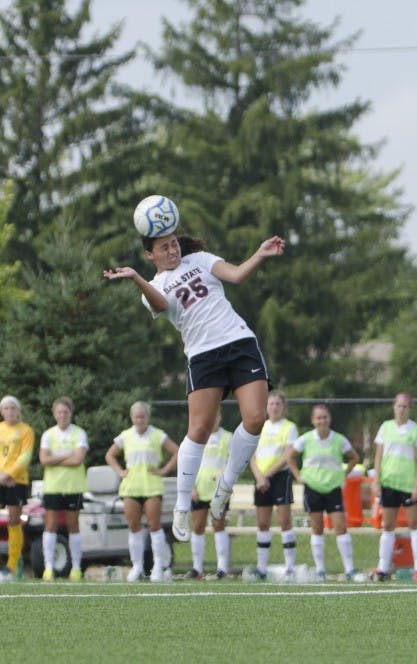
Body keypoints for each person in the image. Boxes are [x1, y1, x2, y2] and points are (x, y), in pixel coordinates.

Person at [103, 226, 285, 550]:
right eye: (163, 248)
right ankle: (183, 506)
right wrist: (135, 277)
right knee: (199, 429)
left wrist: (259, 253)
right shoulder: (154, 286)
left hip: (239, 342)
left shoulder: (199, 259)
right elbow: (160, 305)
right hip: (203, 356)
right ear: (150, 254)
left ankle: (225, 486)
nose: (172, 251)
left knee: (256, 418)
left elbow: (237, 275)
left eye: (173, 244)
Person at [283, 403, 361, 581]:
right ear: (313, 420)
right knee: (317, 528)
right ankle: (320, 570)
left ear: (329, 419)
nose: (322, 421)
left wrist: (343, 474)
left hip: (333, 488)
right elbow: (289, 457)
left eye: (324, 417)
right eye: (318, 418)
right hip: (313, 488)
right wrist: (298, 476)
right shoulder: (306, 439)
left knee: (340, 527)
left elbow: (354, 458)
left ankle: (349, 569)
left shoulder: (339, 439)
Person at [106, 401, 179, 582]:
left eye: (142, 416)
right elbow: (110, 455)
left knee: (154, 526)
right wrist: (121, 472)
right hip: (131, 486)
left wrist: (164, 470)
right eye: (136, 416)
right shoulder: (126, 436)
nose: (140, 420)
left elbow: (177, 451)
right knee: (134, 526)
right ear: (132, 418)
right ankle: (136, 566)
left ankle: (158, 566)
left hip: (152, 485)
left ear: (147, 417)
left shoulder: (157, 435)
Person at [371, 392, 417, 581]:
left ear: (409, 409)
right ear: (394, 407)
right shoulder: (385, 427)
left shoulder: (416, 431)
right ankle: (383, 567)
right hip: (389, 483)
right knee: (387, 525)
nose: (401, 410)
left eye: (405, 406)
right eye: (398, 406)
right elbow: (378, 455)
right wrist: (376, 480)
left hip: (408, 484)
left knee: (413, 523)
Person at [250, 391, 299, 581]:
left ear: (283, 407)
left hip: (279, 478)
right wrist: (259, 477)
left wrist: (267, 476)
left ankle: (290, 568)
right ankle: (261, 569)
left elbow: (287, 455)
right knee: (263, 523)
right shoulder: (259, 427)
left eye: (278, 404)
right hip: (261, 479)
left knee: (284, 522)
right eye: (271, 404)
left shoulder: (289, 427)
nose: (274, 407)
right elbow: (252, 455)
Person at [38, 396, 88, 581]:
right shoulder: (48, 435)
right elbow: (44, 460)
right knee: (50, 525)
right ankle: (48, 568)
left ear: (71, 413)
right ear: (54, 414)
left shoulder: (79, 434)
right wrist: (67, 454)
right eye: (59, 412)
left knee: (73, 525)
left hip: (73, 486)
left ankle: (76, 568)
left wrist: (55, 459)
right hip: (53, 486)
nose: (62, 415)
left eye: (65, 412)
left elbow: (78, 460)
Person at [187, 409, 231, 580]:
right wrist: (191, 487)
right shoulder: (197, 436)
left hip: (219, 489)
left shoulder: (228, 437)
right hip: (199, 488)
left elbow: (235, 461)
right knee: (198, 526)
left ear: (220, 417)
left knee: (218, 525)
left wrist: (225, 475)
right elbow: (189, 462)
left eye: (216, 415)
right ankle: (197, 568)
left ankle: (222, 568)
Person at [0, 395, 35, 581]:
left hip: (16, 481)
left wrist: (8, 475)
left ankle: (12, 566)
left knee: (14, 521)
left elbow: (25, 456)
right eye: (6, 408)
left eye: (13, 408)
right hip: (0, 479)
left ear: (18, 410)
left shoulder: (26, 430)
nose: (10, 411)